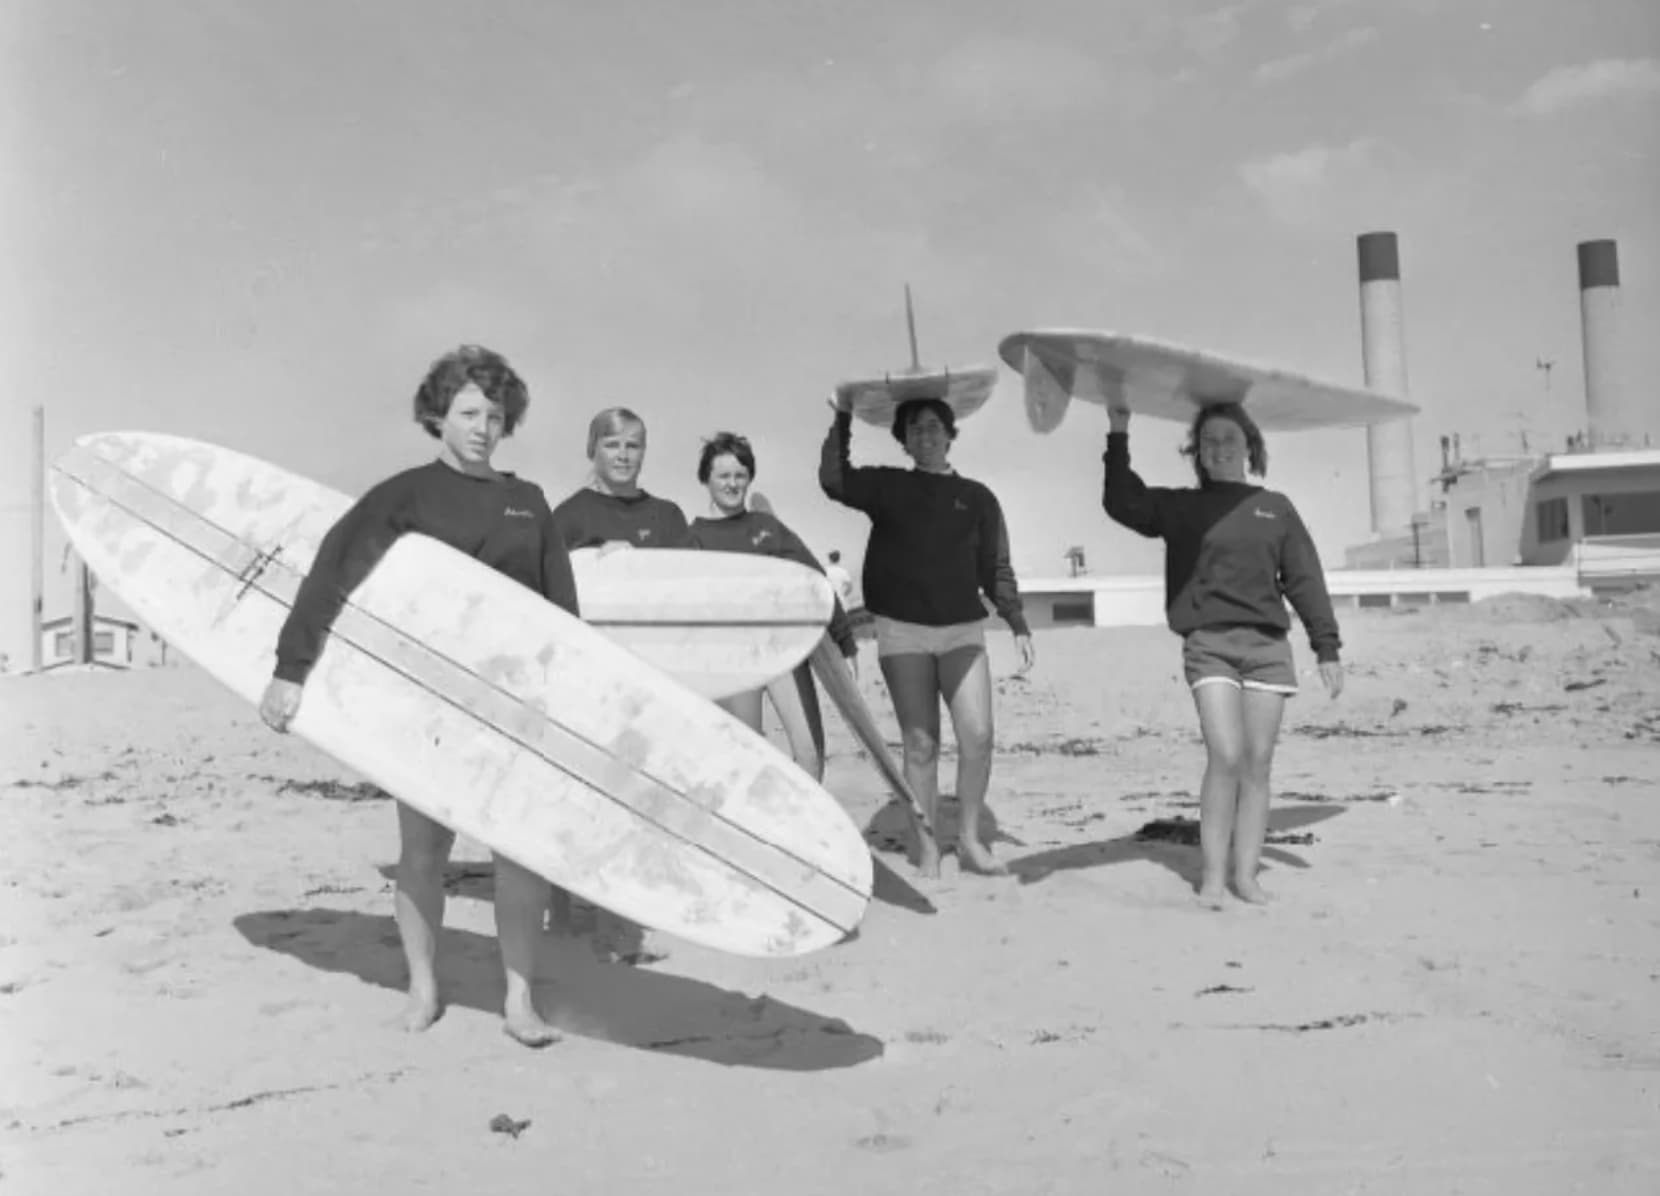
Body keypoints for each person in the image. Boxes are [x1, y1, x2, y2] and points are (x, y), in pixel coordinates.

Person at [258, 344, 577, 1048]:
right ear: (438, 416)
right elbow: (332, 573)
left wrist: (568, 706)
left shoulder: (529, 503)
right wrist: (291, 667)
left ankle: (519, 1001)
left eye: (495, 414)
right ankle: (424, 986)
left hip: (511, 705)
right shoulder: (405, 495)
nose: (482, 427)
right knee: (424, 851)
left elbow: (564, 618)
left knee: (518, 855)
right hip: (427, 703)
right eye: (468, 412)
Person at [1100, 401, 1344, 908]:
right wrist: (1119, 431)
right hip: (1209, 645)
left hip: (1267, 648)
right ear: (1197, 453)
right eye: (1207, 441)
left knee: (1257, 764)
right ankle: (1213, 876)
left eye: (1228, 439)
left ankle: (1247, 876)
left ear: (1249, 446)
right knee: (1226, 755)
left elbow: (1304, 578)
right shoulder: (1181, 507)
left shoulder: (1274, 507)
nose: (1218, 448)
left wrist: (1327, 647)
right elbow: (1122, 502)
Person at [819, 393, 1034, 877]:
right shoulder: (888, 486)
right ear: (904, 439)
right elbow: (834, 479)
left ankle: (973, 840)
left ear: (950, 433)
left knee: (978, 735)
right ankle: (929, 848)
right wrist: (842, 417)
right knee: (920, 744)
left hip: (961, 629)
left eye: (935, 426)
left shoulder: (978, 497)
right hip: (902, 631)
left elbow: (995, 565)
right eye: (915, 428)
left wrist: (1016, 619)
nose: (926, 435)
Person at [686, 431, 860, 781]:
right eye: (723, 476)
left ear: (750, 477)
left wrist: (846, 645)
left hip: (782, 652)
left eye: (740, 475)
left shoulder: (767, 528)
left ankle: (801, 832)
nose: (732, 484)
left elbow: (815, 581)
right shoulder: (692, 536)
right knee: (743, 755)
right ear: (707, 479)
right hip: (732, 660)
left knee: (810, 754)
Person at [550, 406, 689, 551]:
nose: (623, 456)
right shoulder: (569, 515)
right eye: (612, 445)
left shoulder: (668, 517)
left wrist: (635, 561)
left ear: (643, 452)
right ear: (592, 450)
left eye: (632, 446)